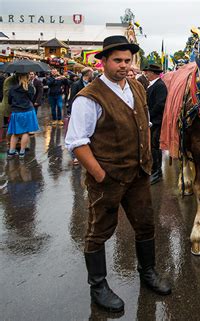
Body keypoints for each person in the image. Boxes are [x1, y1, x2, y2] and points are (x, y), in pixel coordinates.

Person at [65, 35, 171, 313]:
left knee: (146, 225)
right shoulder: (88, 97)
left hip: (137, 175)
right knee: (98, 231)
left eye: (128, 60)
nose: (124, 65)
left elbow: (144, 124)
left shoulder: (137, 86)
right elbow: (77, 142)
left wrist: (146, 160)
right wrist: (100, 175)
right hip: (108, 179)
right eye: (118, 60)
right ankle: (98, 285)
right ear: (103, 62)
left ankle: (147, 273)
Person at [144, 63, 167, 184]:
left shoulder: (159, 85)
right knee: (153, 147)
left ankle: (157, 172)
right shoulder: (154, 85)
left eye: (147, 72)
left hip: (156, 122)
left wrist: (149, 115)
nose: (145, 74)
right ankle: (155, 170)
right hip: (153, 121)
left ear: (152, 73)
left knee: (155, 147)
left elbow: (160, 104)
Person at [6, 73, 39, 159]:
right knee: (25, 132)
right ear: (27, 77)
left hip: (16, 112)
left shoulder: (12, 88)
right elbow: (32, 99)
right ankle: (22, 152)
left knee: (15, 133)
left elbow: (9, 101)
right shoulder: (30, 88)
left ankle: (11, 151)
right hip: (28, 111)